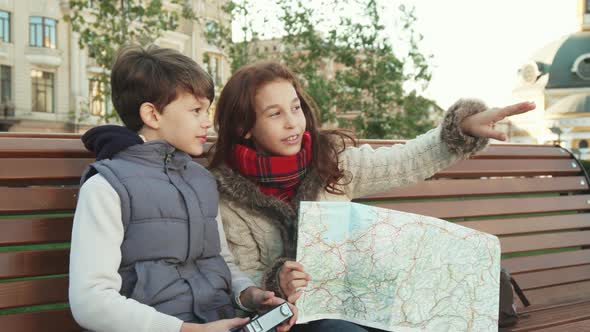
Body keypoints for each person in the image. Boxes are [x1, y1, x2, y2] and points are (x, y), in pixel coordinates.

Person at [207, 61, 535, 331]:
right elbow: (243, 277)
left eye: (296, 108)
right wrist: (277, 282)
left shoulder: (330, 161)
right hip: (292, 321)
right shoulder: (229, 196)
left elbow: (405, 161)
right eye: (275, 114)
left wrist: (461, 130)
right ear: (244, 127)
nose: (293, 122)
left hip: (359, 300)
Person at [68, 46, 296, 332]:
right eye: (196, 110)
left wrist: (249, 296)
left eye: (207, 110)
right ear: (152, 115)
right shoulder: (106, 187)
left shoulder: (200, 180)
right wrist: (187, 330)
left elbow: (220, 261)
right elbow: (90, 300)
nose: (206, 121)